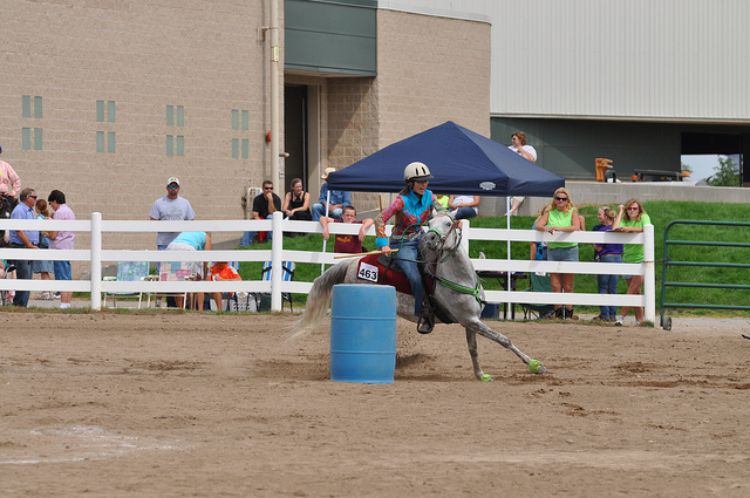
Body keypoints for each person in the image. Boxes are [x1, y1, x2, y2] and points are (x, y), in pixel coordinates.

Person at [376, 161, 439, 334]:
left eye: (426, 181)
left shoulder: (431, 196)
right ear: (410, 183)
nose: (423, 185)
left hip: (421, 238)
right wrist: (383, 245)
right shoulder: (400, 201)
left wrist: (453, 220)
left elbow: (442, 212)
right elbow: (380, 219)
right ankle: (423, 313)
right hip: (401, 243)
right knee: (414, 276)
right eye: (419, 181)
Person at [536, 187, 581, 319]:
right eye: (558, 198)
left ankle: (568, 313)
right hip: (554, 250)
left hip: (570, 250)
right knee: (555, 285)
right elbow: (539, 225)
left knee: (568, 285)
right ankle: (558, 313)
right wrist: (546, 228)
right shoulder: (550, 213)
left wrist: (557, 228)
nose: (561, 201)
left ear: (567, 200)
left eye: (563, 199)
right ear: (554, 200)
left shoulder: (573, 211)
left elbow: (575, 227)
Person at [612, 199, 651, 326]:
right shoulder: (625, 219)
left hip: (641, 259)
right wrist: (621, 211)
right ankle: (640, 320)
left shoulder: (644, 217)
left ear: (639, 209)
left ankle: (621, 317)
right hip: (627, 259)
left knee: (631, 290)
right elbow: (615, 227)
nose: (632, 211)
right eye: (629, 208)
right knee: (635, 292)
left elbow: (646, 229)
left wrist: (629, 229)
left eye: (635, 208)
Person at [8, 188, 40, 307]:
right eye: (34, 197)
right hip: (23, 246)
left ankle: (22, 305)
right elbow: (19, 231)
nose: (36, 199)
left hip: (29, 246)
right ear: (27, 197)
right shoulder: (20, 210)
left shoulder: (30, 211)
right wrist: (29, 245)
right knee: (24, 276)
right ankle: (19, 305)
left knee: (27, 278)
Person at [165, 231, 212, 309]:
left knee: (178, 279)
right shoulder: (206, 237)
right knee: (199, 280)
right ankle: (200, 309)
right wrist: (205, 273)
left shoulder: (188, 232)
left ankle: (180, 308)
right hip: (187, 249)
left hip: (171, 247)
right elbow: (207, 258)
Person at [592, 206, 623, 322]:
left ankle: (605, 314)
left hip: (606, 257)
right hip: (618, 258)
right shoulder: (618, 228)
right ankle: (613, 314)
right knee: (613, 288)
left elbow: (598, 247)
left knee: (603, 287)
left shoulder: (602, 231)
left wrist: (594, 245)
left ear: (605, 216)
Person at [47, 189, 75, 309]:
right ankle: (67, 303)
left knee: (62, 276)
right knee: (67, 276)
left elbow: (53, 235)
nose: (51, 206)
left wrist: (45, 233)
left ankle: (63, 304)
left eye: (51, 203)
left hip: (59, 248)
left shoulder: (59, 213)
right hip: (68, 246)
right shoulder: (69, 211)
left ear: (55, 201)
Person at [149, 177, 196, 250]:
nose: (173, 188)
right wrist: (166, 227)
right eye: (171, 186)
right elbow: (153, 221)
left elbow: (191, 220)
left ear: (179, 188)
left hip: (181, 242)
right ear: (167, 188)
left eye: (175, 186)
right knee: (163, 261)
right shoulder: (158, 202)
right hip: (163, 242)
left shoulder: (185, 203)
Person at [507, 131, 538, 216]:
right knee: (513, 194)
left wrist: (520, 149)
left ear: (520, 139)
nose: (512, 140)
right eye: (512, 139)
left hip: (525, 174)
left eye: (514, 139)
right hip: (512, 174)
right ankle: (513, 212)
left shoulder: (529, 148)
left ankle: (512, 210)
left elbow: (531, 159)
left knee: (520, 190)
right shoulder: (509, 148)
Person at [243, 180, 282, 244]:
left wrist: (270, 200)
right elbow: (255, 215)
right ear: (263, 189)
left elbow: (273, 213)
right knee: (249, 224)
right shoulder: (257, 199)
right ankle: (244, 245)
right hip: (260, 219)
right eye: (266, 188)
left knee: (270, 217)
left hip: (272, 221)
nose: (269, 190)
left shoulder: (276, 199)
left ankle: (271, 242)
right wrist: (262, 223)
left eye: (271, 188)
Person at [32, 198, 54, 300]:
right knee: (46, 271)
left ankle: (45, 292)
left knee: (43, 271)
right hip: (48, 246)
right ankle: (49, 291)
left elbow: (40, 232)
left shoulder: (39, 219)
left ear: (37, 208)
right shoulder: (48, 217)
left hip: (42, 246)